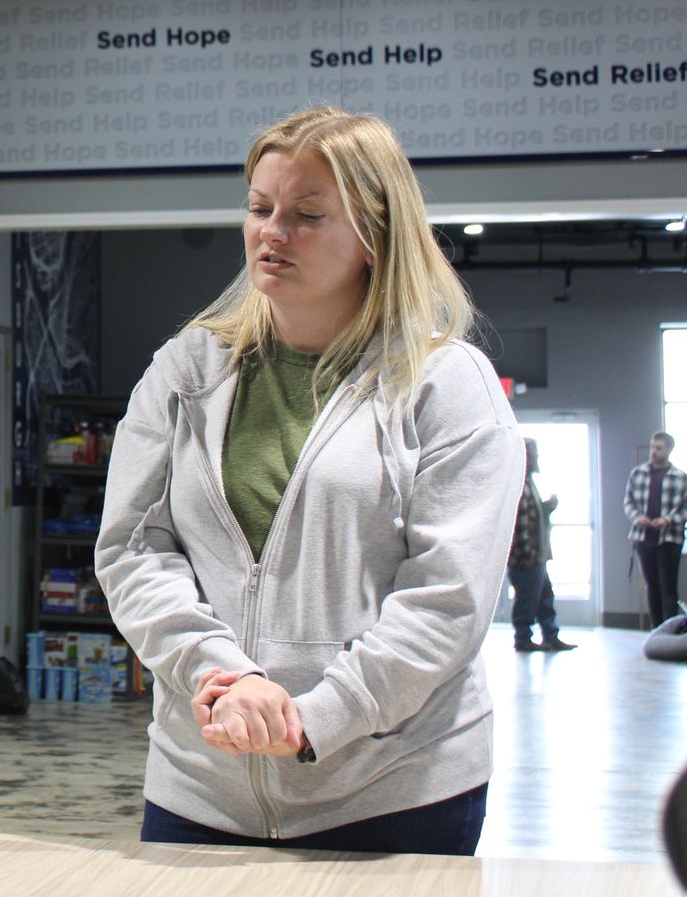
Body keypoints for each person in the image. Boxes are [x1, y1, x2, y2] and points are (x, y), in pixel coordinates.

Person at [96, 106, 522, 855]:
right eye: (260, 208)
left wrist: (314, 718)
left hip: (393, 787)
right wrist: (224, 678)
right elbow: (134, 548)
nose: (272, 232)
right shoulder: (187, 370)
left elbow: (447, 598)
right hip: (204, 782)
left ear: (375, 235)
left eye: (308, 214)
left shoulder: (446, 384)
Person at [507, 438, 573, 652]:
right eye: (534, 453)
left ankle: (550, 636)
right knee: (526, 600)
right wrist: (525, 555)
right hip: (526, 558)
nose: (537, 458)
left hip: (536, 555)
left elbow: (532, 518)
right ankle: (523, 639)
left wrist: (547, 508)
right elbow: (517, 524)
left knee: (545, 597)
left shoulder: (528, 483)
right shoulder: (516, 484)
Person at [626, 432, 686, 628]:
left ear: (669, 450)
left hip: (670, 538)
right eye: (652, 447)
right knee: (651, 585)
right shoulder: (638, 473)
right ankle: (655, 628)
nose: (653, 451)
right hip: (644, 537)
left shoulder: (680, 477)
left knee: (667, 586)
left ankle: (670, 630)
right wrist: (637, 517)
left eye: (659, 448)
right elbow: (629, 502)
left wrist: (668, 520)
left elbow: (685, 508)